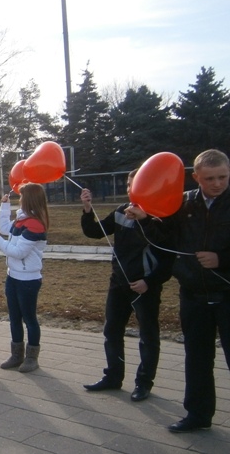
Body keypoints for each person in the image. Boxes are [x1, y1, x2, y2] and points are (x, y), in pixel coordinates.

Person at [79, 170, 173, 402]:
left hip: (144, 286)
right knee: (112, 330)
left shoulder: (160, 216)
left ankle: (143, 383)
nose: (132, 189)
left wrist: (148, 282)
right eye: (129, 185)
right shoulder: (122, 211)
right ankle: (113, 377)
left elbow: (168, 255)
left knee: (148, 336)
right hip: (119, 282)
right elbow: (95, 232)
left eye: (137, 185)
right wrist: (87, 209)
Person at [162, 149, 230, 433]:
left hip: (227, 294)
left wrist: (222, 260)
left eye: (223, 177)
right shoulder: (183, 204)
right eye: (209, 178)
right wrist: (144, 218)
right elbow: (165, 238)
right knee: (197, 358)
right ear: (196, 177)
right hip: (194, 295)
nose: (217, 183)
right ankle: (198, 415)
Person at [0, 183, 49, 373]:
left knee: (29, 318)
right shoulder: (22, 220)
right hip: (13, 277)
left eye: (21, 197)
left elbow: (18, 252)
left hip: (28, 280)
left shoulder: (35, 224)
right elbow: (7, 228)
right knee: (14, 317)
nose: (19, 200)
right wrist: (4, 207)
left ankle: (32, 358)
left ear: (29, 199)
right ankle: (16, 355)